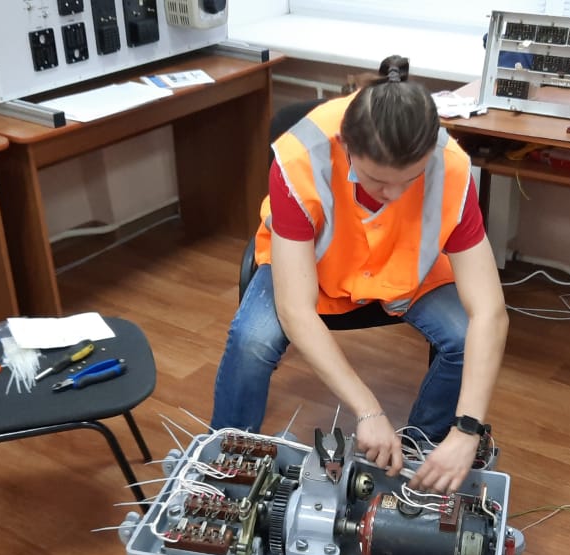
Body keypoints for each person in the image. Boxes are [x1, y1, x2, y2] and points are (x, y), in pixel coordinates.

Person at [211, 55, 508, 495]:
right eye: (377, 181)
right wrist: (368, 410)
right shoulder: (300, 159)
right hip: (312, 273)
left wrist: (466, 429)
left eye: (411, 179)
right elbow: (295, 309)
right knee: (251, 340)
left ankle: (419, 454)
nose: (395, 194)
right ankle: (222, 465)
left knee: (465, 336)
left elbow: (490, 312)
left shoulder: (451, 167)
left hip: (403, 274)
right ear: (346, 146)